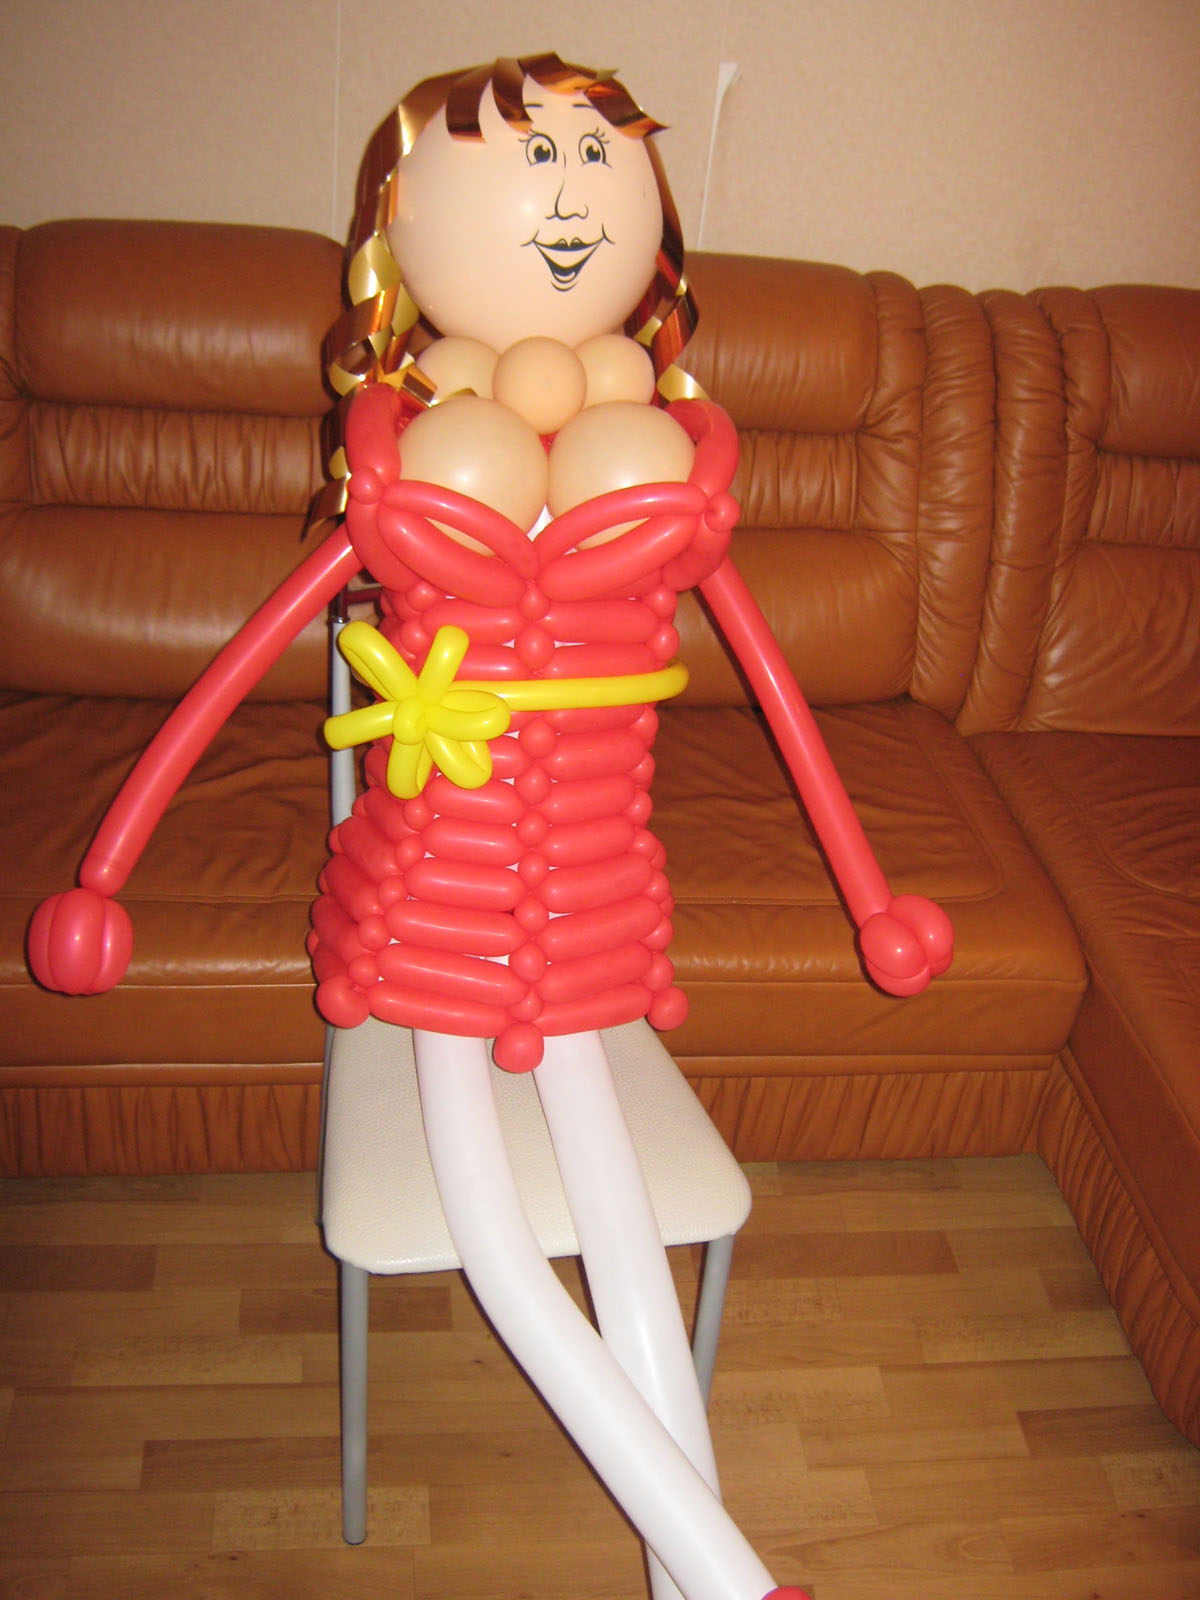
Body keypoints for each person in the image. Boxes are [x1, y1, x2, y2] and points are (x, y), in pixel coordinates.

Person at [30, 53, 952, 1600]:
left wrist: (872, 895)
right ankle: (730, 1579)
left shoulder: (659, 464)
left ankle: (702, 1580)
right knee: (506, 1248)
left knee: (617, 1221)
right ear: (405, 224)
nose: (570, 193)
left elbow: (780, 689)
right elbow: (242, 662)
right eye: (534, 162)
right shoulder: (406, 470)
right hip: (429, 923)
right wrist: (108, 869)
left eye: (597, 159)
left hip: (589, 919)